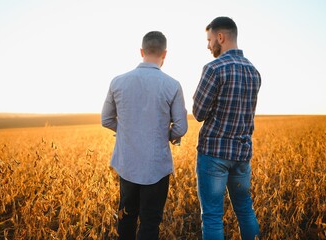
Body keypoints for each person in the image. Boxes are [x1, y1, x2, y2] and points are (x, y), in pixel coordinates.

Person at [101, 31, 188, 240]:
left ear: (141, 51)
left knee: (126, 217)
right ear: (164, 54)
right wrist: (162, 134)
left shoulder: (118, 81)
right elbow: (181, 127)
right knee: (150, 222)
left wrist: (128, 131)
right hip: (156, 167)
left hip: (127, 164)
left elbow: (106, 119)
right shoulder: (172, 85)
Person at [193, 17, 261, 239]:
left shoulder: (214, 68)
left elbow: (199, 113)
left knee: (212, 215)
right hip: (242, 155)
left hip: (214, 154)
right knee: (245, 209)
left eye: (210, 39)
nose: (208, 45)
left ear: (220, 37)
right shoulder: (253, 71)